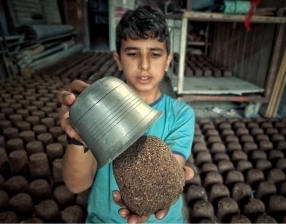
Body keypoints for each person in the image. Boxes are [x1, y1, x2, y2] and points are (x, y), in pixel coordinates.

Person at [58, 5, 195, 223]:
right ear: (118, 58)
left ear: (168, 59)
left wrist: (152, 193)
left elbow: (167, 176)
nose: (144, 64)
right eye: (133, 53)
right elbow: (76, 185)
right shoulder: (99, 110)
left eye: (155, 54)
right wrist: (79, 129)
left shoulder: (181, 114)